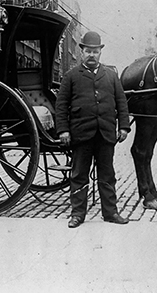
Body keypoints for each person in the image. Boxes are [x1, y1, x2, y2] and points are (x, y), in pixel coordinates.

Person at [55, 31, 131, 228]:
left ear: (100, 53)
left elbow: (121, 103)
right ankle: (77, 214)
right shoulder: (71, 76)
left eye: (95, 51)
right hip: (81, 134)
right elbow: (61, 105)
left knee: (107, 175)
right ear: (82, 52)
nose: (91, 55)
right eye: (88, 51)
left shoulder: (111, 76)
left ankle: (111, 213)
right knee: (79, 174)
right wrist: (63, 130)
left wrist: (123, 127)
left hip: (105, 134)